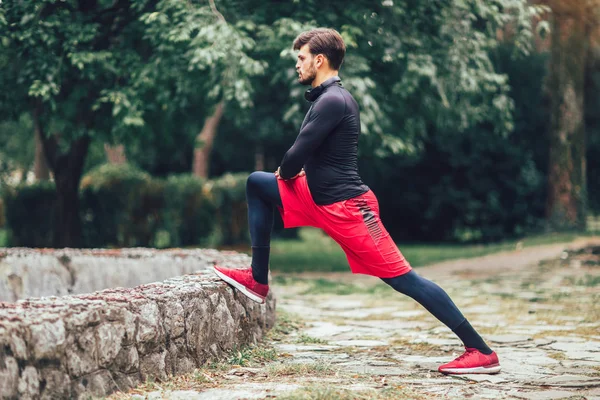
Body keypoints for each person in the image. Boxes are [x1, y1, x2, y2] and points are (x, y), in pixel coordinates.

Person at [213, 28, 501, 375]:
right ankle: (257, 279)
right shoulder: (326, 99)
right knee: (258, 184)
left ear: (319, 60)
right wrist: (288, 174)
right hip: (316, 197)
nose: (297, 65)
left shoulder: (334, 100)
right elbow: (302, 161)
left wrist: (287, 171)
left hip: (350, 209)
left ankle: (479, 350)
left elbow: (295, 156)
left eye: (301, 58)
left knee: (405, 279)